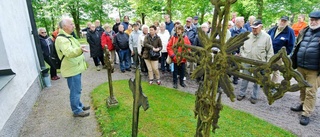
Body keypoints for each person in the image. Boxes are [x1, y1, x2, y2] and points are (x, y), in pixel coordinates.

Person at [55, 17, 90, 117]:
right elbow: (69, 52)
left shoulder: (68, 36)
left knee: (76, 89)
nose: (73, 26)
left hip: (74, 68)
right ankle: (77, 110)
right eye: (71, 24)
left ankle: (79, 105)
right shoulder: (62, 39)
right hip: (72, 69)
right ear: (64, 26)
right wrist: (80, 50)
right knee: (75, 90)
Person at [290, 11, 320, 126]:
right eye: (312, 19)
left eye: (316, 20)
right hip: (301, 66)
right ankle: (302, 105)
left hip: (314, 69)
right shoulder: (305, 31)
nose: (313, 22)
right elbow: (296, 45)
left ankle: (306, 113)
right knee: (301, 87)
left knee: (310, 92)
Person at [236, 19, 274, 104]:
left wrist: (267, 64)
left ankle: (254, 96)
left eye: (256, 28)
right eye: (253, 28)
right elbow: (241, 47)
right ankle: (242, 93)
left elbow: (270, 52)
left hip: (259, 63)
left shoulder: (267, 37)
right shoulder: (248, 36)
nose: (254, 29)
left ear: (261, 27)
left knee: (257, 81)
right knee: (245, 78)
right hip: (247, 61)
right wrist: (243, 55)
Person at [268, 16, 295, 83]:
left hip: (279, 55)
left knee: (276, 70)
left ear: (287, 23)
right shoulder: (273, 29)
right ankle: (267, 82)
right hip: (269, 53)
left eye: (284, 21)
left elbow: (291, 45)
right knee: (267, 67)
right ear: (279, 21)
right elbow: (267, 37)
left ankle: (273, 85)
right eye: (281, 20)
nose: (282, 22)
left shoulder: (290, 32)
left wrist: (284, 55)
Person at [229, 16, 247, 85]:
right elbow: (229, 42)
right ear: (237, 22)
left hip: (240, 51)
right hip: (231, 51)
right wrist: (233, 52)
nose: (244, 22)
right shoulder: (231, 31)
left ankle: (235, 78)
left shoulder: (244, 31)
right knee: (230, 64)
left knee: (237, 65)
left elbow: (246, 42)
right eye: (242, 21)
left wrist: (241, 52)